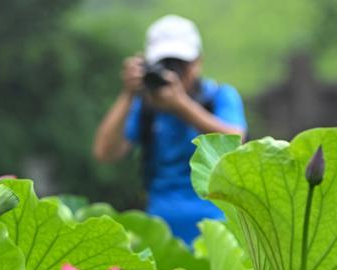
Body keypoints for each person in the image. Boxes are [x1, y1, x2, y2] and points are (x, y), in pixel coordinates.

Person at [93, 15, 247, 243]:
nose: (172, 73)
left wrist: (181, 105)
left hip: (217, 229)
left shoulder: (220, 97)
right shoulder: (145, 106)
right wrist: (128, 94)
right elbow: (105, 152)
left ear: (198, 63)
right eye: (165, 64)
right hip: (160, 229)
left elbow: (235, 141)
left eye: (179, 64)